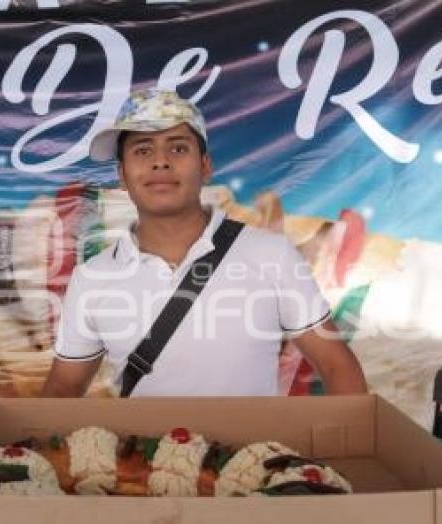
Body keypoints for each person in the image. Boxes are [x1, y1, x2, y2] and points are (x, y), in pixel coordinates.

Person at [42, 88, 366, 397]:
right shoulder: (93, 277)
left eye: (178, 147)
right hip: (141, 453)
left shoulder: (271, 255)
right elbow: (63, 390)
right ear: (122, 176)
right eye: (143, 150)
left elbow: (336, 365)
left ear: (206, 167)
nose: (161, 162)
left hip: (252, 454)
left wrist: (349, 450)